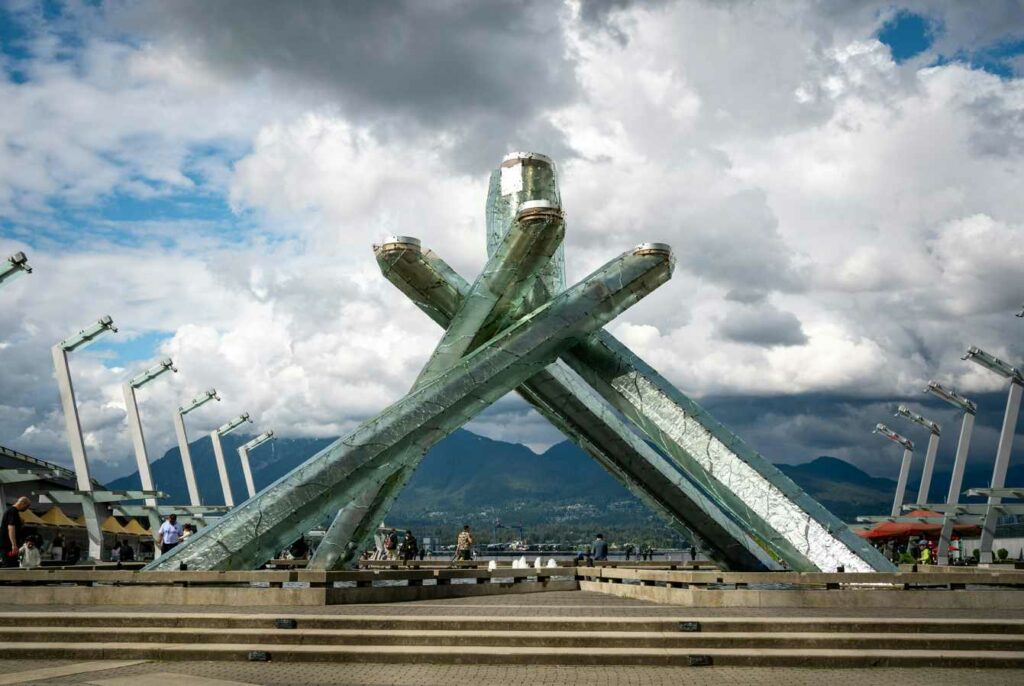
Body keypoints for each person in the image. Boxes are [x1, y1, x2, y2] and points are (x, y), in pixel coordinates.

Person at [2, 497, 31, 568]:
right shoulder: (13, 511)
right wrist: (14, 545)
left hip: (8, 546)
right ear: (22, 503)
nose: (26, 509)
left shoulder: (12, 511)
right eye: (26, 506)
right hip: (8, 546)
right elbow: (11, 528)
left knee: (12, 566)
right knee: (9, 567)